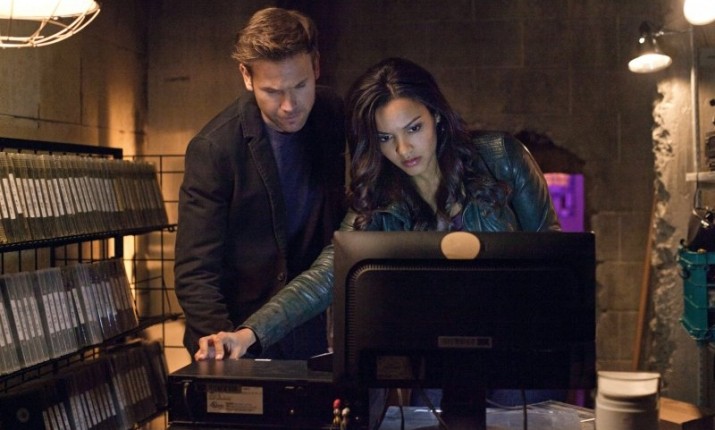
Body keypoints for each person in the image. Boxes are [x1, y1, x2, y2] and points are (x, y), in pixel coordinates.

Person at [195, 57, 559, 361]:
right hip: (433, 358)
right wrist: (247, 334)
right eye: (386, 138)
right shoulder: (381, 200)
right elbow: (325, 275)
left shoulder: (499, 157)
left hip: (517, 349)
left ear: (436, 115)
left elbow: (554, 254)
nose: (403, 149)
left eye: (413, 128)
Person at [174, 7, 346, 360]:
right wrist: (221, 348)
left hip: (311, 323)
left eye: (300, 86)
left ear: (316, 66)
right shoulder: (214, 149)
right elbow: (196, 271)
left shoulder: (333, 112)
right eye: (272, 91)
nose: (289, 105)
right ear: (246, 76)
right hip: (236, 327)